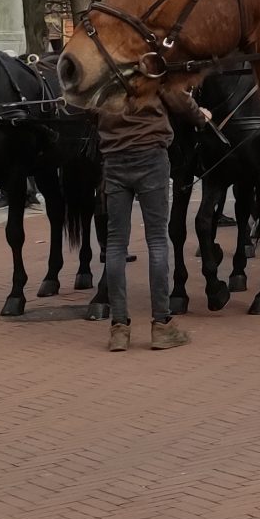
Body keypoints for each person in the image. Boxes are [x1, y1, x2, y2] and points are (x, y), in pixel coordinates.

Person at [97, 78, 208, 351]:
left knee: (115, 244)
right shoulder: (152, 69)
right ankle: (162, 324)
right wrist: (201, 116)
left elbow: (86, 106)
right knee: (157, 240)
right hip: (150, 155)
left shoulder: (103, 71)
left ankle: (119, 328)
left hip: (114, 158)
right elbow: (178, 98)